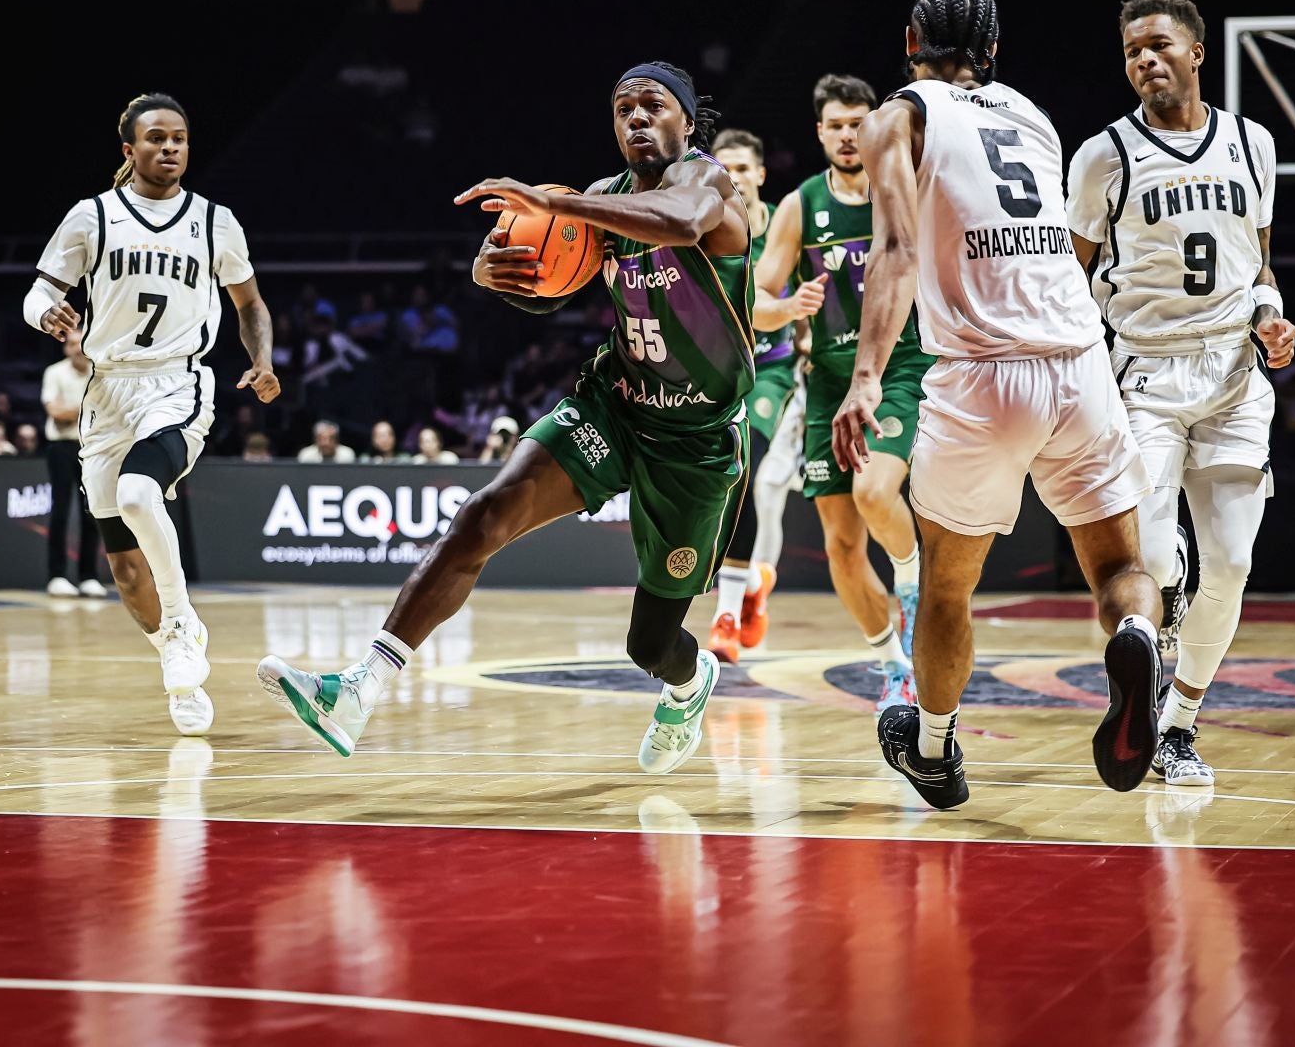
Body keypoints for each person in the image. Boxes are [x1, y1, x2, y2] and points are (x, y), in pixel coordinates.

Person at [259, 60, 753, 776]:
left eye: (653, 106)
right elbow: (549, 293)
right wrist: (492, 276)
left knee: (649, 644)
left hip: (699, 439)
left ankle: (688, 683)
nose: (637, 119)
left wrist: (560, 208)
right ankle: (358, 690)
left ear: (685, 120)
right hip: (616, 402)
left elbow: (678, 223)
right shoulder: (602, 198)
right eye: (623, 110)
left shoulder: (709, 184)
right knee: (484, 515)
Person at [833, 0, 1161, 809]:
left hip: (984, 376)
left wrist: (865, 377)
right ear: (994, 51)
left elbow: (899, 254)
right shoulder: (1033, 116)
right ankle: (1136, 636)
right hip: (1081, 361)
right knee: (1121, 566)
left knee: (946, 581)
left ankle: (936, 749)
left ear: (912, 40)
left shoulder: (895, 118)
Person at [1065, 0, 1295, 788]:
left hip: (1235, 373)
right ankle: (1146, 671)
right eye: (1132, 50)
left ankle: (1179, 728)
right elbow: (1072, 272)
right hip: (1147, 373)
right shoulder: (1104, 154)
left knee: (1232, 562)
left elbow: (1258, 263)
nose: (1144, 60)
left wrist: (1272, 314)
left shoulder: (1252, 141)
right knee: (1155, 563)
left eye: (1159, 45)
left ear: (1197, 53)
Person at [26, 91, 281, 736]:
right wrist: (45, 313)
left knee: (141, 494)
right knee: (123, 567)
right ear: (129, 149)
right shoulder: (92, 217)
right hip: (106, 392)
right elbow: (39, 292)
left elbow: (250, 304)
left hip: (178, 384)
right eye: (157, 138)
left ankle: (185, 624)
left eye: (180, 138)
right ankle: (173, 644)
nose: (170, 147)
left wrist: (262, 359)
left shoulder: (215, 221)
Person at [753, 74, 928, 706]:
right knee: (841, 547)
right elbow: (757, 299)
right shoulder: (800, 205)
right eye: (837, 125)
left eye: (859, 122)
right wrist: (785, 306)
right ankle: (894, 668)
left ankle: (910, 587)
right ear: (820, 132)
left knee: (874, 491)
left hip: (896, 368)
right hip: (827, 380)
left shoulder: (900, 187)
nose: (849, 135)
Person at [708, 127, 804, 658]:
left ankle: (726, 615)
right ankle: (755, 584)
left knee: (749, 475)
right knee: (726, 487)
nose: (735, 177)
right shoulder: (703, 230)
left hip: (774, 371)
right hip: (717, 372)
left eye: (743, 168)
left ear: (761, 173)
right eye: (724, 168)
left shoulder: (787, 227)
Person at [41, 333, 103, 598]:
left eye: (80, 343)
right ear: (65, 349)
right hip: (62, 447)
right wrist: (87, 408)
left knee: (92, 512)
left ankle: (88, 576)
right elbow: (55, 413)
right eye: (71, 344)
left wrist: (73, 410)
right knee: (61, 510)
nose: (76, 348)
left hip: (92, 447)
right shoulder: (54, 373)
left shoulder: (99, 372)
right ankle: (57, 575)